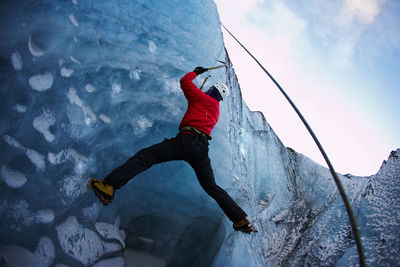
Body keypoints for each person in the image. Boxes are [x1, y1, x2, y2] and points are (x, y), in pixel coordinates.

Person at [88, 67, 254, 233]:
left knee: (146, 157)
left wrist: (196, 72)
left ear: (212, 89)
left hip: (185, 141)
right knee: (211, 186)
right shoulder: (216, 111)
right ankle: (241, 219)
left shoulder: (200, 97)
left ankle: (108, 187)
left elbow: (184, 82)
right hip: (201, 150)